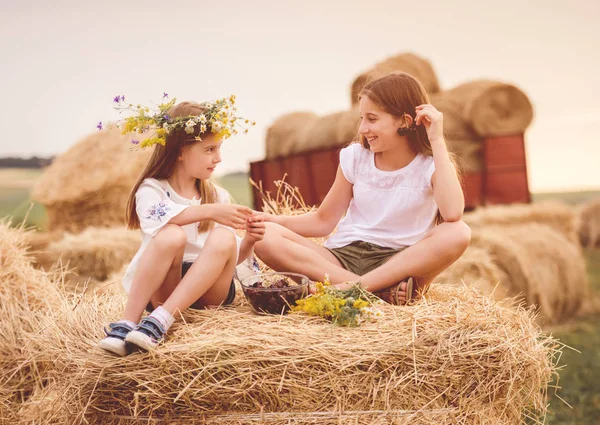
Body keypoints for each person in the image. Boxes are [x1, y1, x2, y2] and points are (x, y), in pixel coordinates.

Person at [254, 73, 471, 305]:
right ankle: (376, 293)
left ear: (405, 122)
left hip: (397, 263)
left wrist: (437, 140)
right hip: (342, 257)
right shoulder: (355, 157)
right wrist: (272, 220)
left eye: (372, 119)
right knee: (264, 237)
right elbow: (323, 220)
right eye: (362, 119)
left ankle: (352, 288)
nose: (362, 128)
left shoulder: (431, 165)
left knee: (458, 232)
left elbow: (452, 214)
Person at [99, 97, 264, 356]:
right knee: (171, 234)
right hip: (167, 283)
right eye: (209, 150)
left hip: (211, 291)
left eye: (219, 149)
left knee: (223, 237)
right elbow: (159, 218)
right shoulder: (152, 190)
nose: (218, 158)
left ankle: (159, 322)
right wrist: (210, 211)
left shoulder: (217, 196)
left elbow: (228, 258)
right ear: (179, 152)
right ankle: (127, 323)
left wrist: (250, 242)